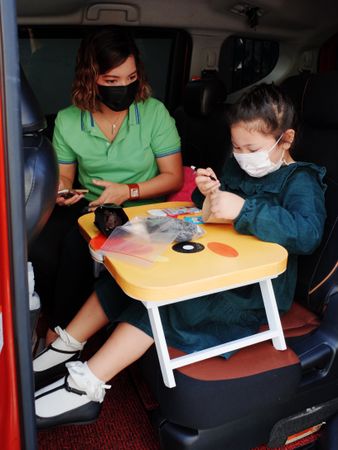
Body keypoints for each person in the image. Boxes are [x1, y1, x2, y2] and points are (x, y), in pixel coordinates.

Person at [33, 83, 326, 429]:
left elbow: (307, 233)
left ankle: (87, 387)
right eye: (235, 146)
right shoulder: (238, 166)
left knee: (161, 302)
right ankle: (67, 344)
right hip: (216, 265)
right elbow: (217, 208)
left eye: (252, 148)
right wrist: (207, 196)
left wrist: (244, 210)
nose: (243, 155)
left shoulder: (301, 179)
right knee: (120, 282)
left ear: (286, 139)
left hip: (255, 290)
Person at [29, 28, 183, 345]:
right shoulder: (70, 120)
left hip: (145, 209)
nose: (123, 88)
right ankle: (59, 319)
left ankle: (61, 334)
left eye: (131, 78)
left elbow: (173, 177)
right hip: (93, 205)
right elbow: (67, 176)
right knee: (40, 241)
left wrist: (128, 191)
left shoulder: (154, 113)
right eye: (112, 81)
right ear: (91, 78)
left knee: (77, 244)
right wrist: (62, 191)